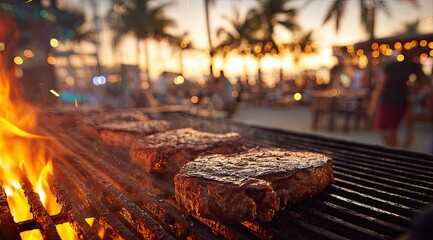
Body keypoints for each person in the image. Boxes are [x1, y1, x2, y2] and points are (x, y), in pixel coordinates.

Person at [375, 51, 430, 147]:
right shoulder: (413, 66)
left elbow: (382, 84)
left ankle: (392, 149)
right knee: (389, 127)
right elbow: (425, 80)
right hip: (401, 100)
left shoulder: (392, 66)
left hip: (389, 99)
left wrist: (375, 101)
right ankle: (392, 148)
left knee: (386, 127)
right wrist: (413, 90)